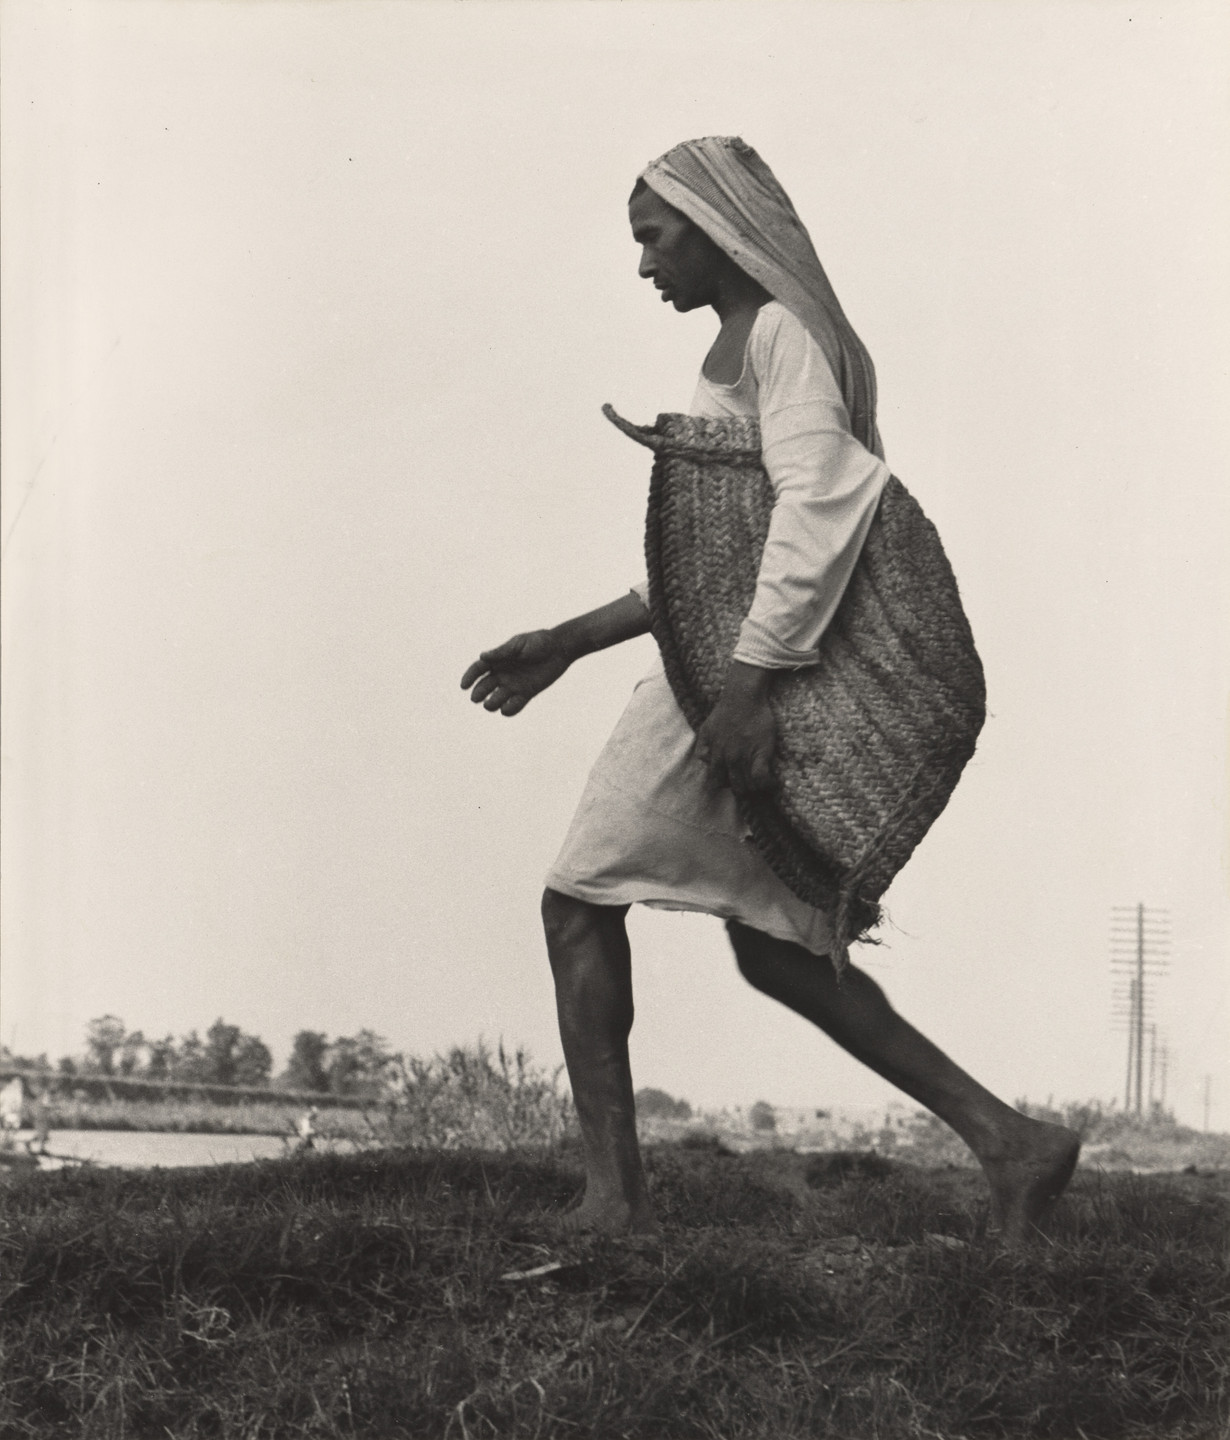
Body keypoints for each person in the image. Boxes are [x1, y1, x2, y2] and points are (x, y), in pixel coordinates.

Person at [461, 137, 1079, 1244]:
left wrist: (744, 693)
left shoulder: (784, 337)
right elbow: (710, 564)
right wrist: (565, 639)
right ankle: (1011, 1141)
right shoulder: (748, 345)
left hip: (741, 680)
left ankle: (614, 1201)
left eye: (654, 237)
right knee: (773, 950)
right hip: (734, 665)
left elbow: (821, 508)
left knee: (577, 898)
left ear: (717, 229)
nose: (645, 264)